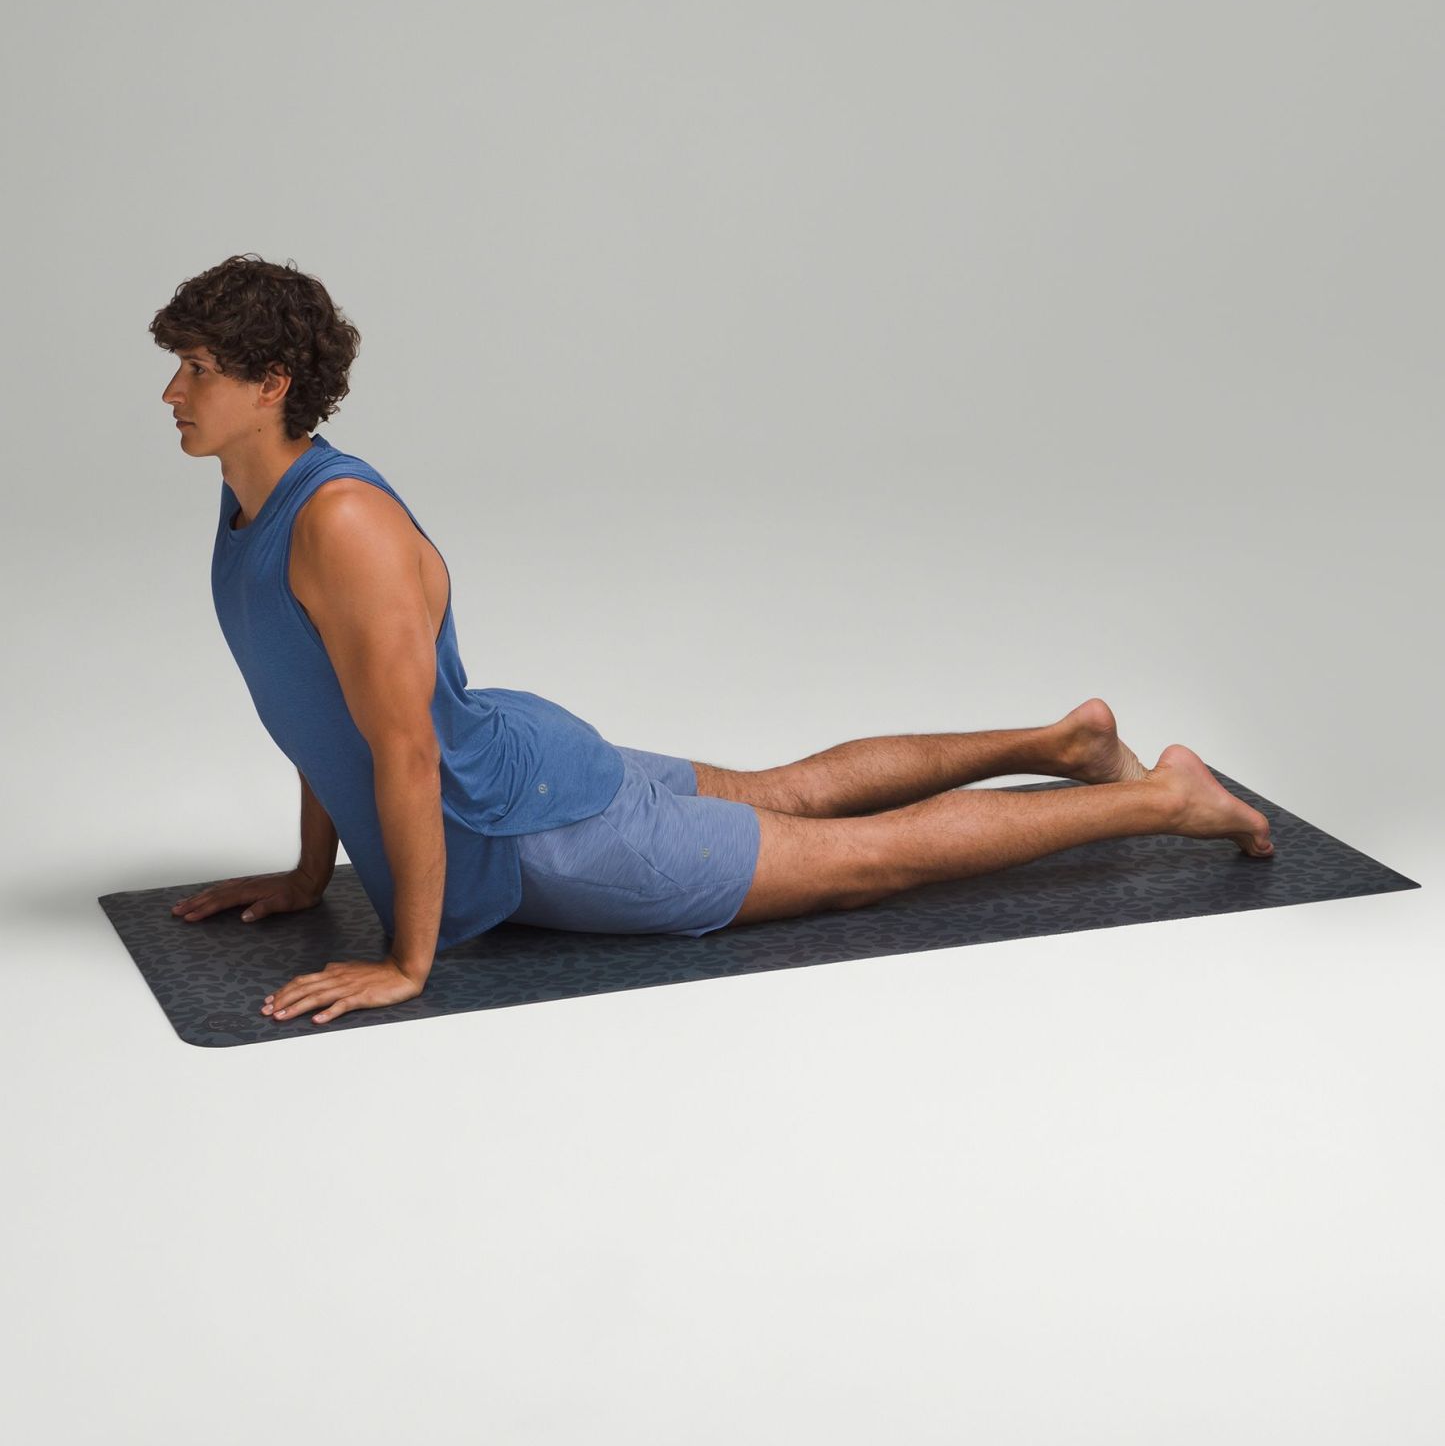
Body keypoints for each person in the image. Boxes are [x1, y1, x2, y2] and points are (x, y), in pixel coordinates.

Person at [155, 254, 1274, 1027]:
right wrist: (311, 876)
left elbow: (400, 750)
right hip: (515, 765)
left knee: (858, 865)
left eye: (199, 368)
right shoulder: (253, 499)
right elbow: (318, 709)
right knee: (788, 793)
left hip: (525, 832)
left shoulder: (340, 525)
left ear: (272, 386)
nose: (172, 390)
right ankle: (1067, 742)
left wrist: (408, 962)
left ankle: (1162, 800)